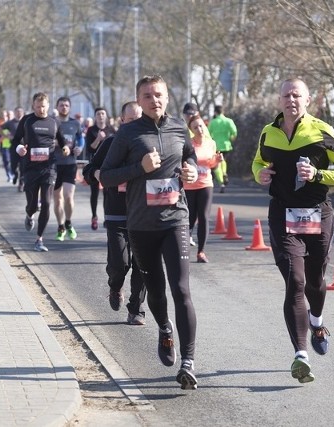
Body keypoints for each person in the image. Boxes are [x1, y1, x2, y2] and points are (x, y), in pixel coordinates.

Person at [251, 78, 334, 384]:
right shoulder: (268, 132)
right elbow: (258, 162)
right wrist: (261, 173)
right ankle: (301, 356)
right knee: (294, 282)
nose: (291, 100)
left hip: (317, 213)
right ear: (279, 100)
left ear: (308, 100)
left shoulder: (324, 131)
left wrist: (318, 174)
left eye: (297, 95)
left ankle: (318, 323)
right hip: (283, 214)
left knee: (315, 281)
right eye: (286, 95)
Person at [100, 74, 199, 390]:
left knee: (181, 289)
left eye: (158, 94)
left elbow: (190, 158)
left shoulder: (178, 129)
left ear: (167, 97)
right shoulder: (128, 134)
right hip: (141, 225)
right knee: (156, 292)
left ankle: (188, 362)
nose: (154, 100)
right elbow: (105, 176)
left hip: (175, 219)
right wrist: (138, 168)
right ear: (139, 100)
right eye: (147, 96)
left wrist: (193, 170)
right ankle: (164, 329)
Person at [84, 101, 147, 325]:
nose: (136, 123)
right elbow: (88, 170)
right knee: (120, 264)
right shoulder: (111, 142)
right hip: (116, 213)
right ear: (122, 121)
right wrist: (100, 175)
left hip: (144, 214)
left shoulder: (151, 143)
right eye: (131, 120)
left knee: (143, 265)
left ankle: (136, 310)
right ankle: (115, 286)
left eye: (140, 118)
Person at [13, 92, 69, 252]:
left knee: (46, 203)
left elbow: (62, 139)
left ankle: (39, 239)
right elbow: (16, 140)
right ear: (33, 106)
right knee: (32, 204)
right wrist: (19, 149)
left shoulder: (54, 121)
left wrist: (65, 147)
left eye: (43, 106)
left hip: (49, 168)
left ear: (48, 106)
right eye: (38, 107)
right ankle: (29, 214)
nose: (41, 110)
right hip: (30, 168)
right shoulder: (27, 120)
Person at [185, 115, 222, 263]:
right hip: (190, 185)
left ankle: (201, 252)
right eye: (195, 127)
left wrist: (217, 161)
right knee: (190, 217)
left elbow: (211, 164)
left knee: (204, 217)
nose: (199, 129)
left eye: (201, 126)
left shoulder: (210, 143)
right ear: (191, 130)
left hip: (206, 184)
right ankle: (182, 249)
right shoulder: (188, 145)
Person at [53, 96, 84, 241]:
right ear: (57, 107)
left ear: (69, 107)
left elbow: (80, 139)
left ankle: (68, 222)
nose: (64, 107)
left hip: (70, 164)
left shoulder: (75, 123)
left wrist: (79, 147)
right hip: (54, 165)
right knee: (57, 199)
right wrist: (55, 143)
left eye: (66, 105)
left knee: (68, 197)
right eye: (61, 105)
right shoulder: (53, 123)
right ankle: (60, 226)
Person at [85, 107, 115, 230]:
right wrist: (98, 138)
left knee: (108, 193)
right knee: (95, 193)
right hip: (95, 164)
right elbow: (90, 149)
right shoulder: (91, 130)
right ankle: (94, 217)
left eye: (103, 114)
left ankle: (106, 217)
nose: (100, 116)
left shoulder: (112, 130)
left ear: (106, 116)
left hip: (108, 165)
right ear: (95, 116)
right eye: (98, 114)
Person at [208, 105, 238, 193]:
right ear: (223, 111)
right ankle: (224, 173)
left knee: (217, 165)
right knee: (223, 160)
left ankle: (221, 182)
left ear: (215, 112)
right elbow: (234, 132)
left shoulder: (213, 122)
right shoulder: (228, 121)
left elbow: (209, 134)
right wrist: (231, 138)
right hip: (226, 145)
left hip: (216, 146)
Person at [3, 107, 25, 190]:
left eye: (20, 112)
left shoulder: (26, 122)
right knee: (13, 165)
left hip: (24, 147)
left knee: (23, 166)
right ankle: (15, 175)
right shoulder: (10, 123)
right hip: (14, 147)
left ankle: (21, 183)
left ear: (23, 113)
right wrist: (6, 136)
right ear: (15, 113)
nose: (19, 113)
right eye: (17, 112)